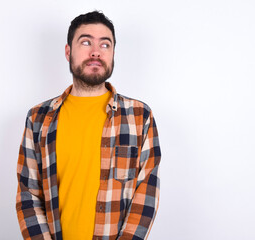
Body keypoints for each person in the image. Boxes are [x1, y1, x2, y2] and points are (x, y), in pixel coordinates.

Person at [16, 11, 161, 240]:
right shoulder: (38, 118)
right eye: (86, 42)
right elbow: (28, 195)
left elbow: (146, 194)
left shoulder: (139, 117)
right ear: (68, 51)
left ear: (113, 53)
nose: (96, 51)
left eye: (105, 45)